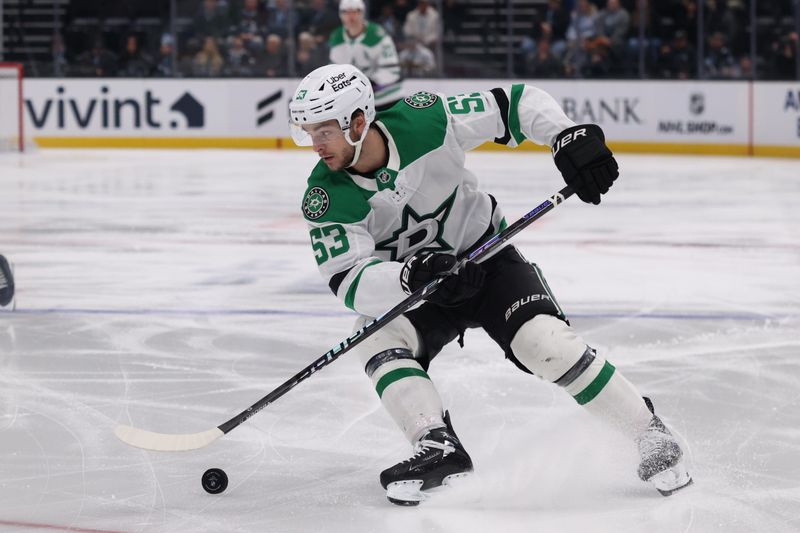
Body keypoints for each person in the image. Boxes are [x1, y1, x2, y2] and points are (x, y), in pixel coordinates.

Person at [289, 64, 693, 505]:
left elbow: (515, 104)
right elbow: (348, 279)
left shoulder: (426, 120)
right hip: (424, 289)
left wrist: (566, 135)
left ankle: (647, 432)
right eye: (309, 132)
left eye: (324, 131)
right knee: (372, 335)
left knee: (543, 343)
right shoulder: (324, 196)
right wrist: (408, 276)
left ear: (359, 122)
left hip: (487, 258)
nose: (315, 145)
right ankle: (437, 445)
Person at [329, 0, 404, 111]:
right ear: (341, 15)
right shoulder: (336, 37)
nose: (351, 17)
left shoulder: (378, 34)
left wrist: (366, 83)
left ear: (362, 13)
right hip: (357, 101)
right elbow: (335, 71)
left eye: (356, 12)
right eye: (346, 12)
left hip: (387, 99)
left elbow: (392, 71)